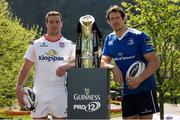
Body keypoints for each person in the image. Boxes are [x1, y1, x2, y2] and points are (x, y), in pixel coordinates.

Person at [100, 5, 160, 120]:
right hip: (127, 90)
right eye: (112, 19)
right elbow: (102, 61)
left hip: (145, 88)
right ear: (108, 21)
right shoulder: (109, 39)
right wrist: (112, 67)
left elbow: (154, 62)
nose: (115, 21)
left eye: (117, 18)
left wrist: (139, 79)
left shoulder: (139, 36)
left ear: (124, 18)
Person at [16, 11, 75, 120]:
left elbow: (77, 62)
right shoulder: (36, 44)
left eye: (57, 22)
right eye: (51, 22)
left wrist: (67, 66)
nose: (54, 24)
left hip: (60, 93)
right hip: (39, 93)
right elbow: (26, 68)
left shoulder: (69, 45)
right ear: (46, 23)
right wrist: (18, 87)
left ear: (61, 23)